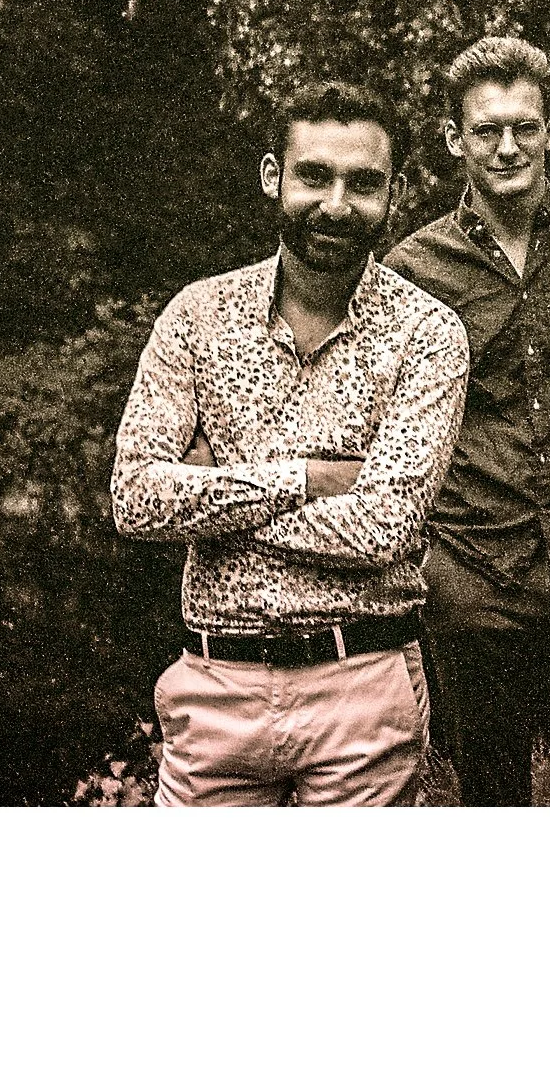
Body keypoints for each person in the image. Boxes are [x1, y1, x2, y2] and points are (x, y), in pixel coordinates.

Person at [111, 80, 469, 806]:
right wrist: (306, 478)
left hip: (363, 688)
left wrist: (212, 499)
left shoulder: (429, 334)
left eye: (362, 183)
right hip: (214, 689)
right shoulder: (196, 316)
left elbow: (384, 527)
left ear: (395, 192)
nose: (336, 204)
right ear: (273, 176)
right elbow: (136, 499)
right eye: (314, 176)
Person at [383, 36, 550, 805]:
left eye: (524, 127)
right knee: (492, 802)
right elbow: (394, 436)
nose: (508, 148)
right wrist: (430, 565)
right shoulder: (409, 273)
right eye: (487, 130)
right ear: (454, 139)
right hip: (473, 585)